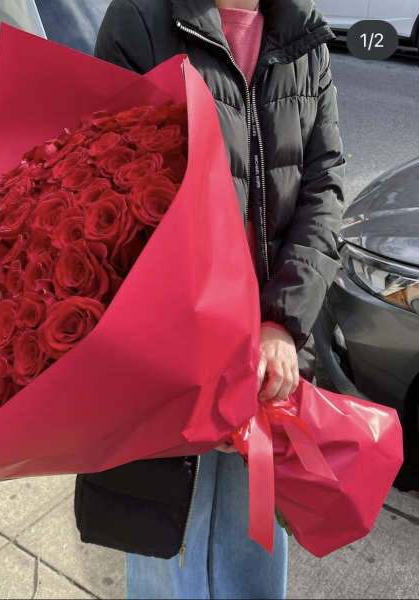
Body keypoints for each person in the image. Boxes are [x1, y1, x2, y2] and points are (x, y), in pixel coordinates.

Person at [74, 0, 345, 597]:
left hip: (271, 361)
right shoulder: (141, 20)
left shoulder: (304, 34)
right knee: (168, 545)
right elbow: (106, 185)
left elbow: (324, 185)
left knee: (254, 541)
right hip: (171, 360)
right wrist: (203, 351)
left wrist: (280, 322)